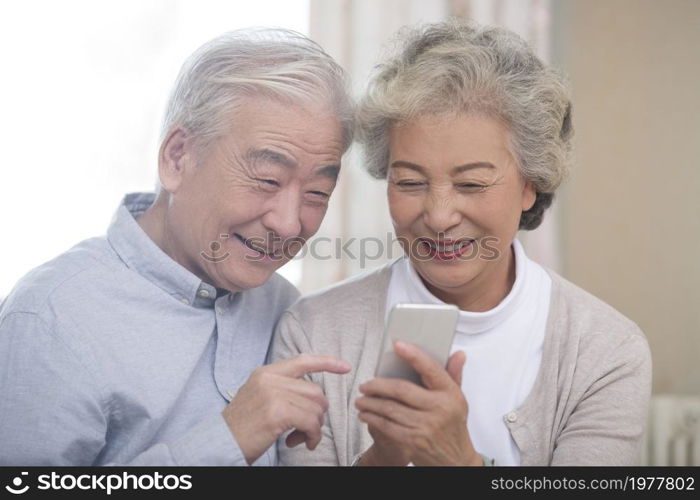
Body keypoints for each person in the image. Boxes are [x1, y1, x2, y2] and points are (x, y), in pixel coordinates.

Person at [271, 21, 652, 466]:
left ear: (531, 183)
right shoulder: (314, 333)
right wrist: (385, 460)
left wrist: (458, 462)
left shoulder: (605, 351)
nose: (438, 216)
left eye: (471, 183)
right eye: (410, 181)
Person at [0, 28, 354, 466]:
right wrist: (228, 439)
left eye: (317, 193)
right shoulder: (51, 316)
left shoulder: (288, 310)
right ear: (177, 157)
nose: (288, 222)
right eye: (267, 179)